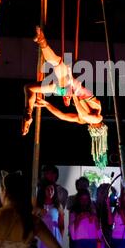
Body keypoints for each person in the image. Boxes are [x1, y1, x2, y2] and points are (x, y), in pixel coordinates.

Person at [22, 26, 108, 168]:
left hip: (68, 88)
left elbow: (66, 115)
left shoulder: (88, 118)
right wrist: (54, 102)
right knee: (29, 88)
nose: (91, 131)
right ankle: (28, 113)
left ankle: (42, 42)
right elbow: (71, 114)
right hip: (66, 89)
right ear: (99, 130)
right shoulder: (96, 116)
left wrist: (50, 104)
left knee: (58, 64)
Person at [34, 180, 64, 248]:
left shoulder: (58, 206)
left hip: (55, 236)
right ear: (43, 191)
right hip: (41, 238)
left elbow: (61, 225)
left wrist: (60, 240)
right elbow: (32, 223)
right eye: (48, 189)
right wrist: (38, 214)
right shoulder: (37, 206)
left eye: (52, 189)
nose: (50, 191)